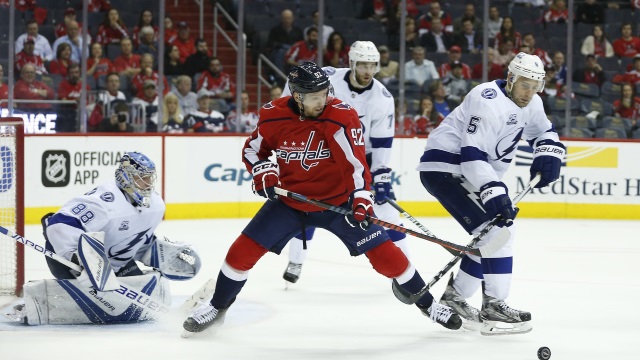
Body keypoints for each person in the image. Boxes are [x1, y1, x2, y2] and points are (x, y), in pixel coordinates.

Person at [181, 62, 462, 336]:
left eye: (325, 92)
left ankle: (429, 305)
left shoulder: (340, 115)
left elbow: (355, 164)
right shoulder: (273, 114)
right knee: (239, 254)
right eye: (315, 97)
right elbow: (255, 150)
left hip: (338, 204)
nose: (324, 100)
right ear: (297, 96)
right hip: (290, 204)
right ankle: (217, 306)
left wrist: (361, 199)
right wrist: (263, 171)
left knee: (390, 260)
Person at [417, 53, 565, 335]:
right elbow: (471, 154)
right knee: (498, 231)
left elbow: (545, 131)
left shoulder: (532, 102)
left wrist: (549, 153)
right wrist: (491, 189)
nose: (529, 92)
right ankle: (494, 304)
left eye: (536, 86)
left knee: (492, 235)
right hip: (446, 167)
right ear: (510, 78)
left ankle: (456, 298)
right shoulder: (486, 98)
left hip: (474, 171)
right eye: (524, 85)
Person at [10, 152, 201, 325]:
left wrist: (154, 253)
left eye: (149, 178)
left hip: (112, 264)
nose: (147, 184)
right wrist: (79, 260)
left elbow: (134, 242)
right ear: (126, 177)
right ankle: (40, 302)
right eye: (140, 178)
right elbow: (58, 225)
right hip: (66, 257)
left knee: (138, 302)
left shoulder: (156, 206)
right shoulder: (104, 201)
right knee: (106, 300)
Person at [280, 42, 410, 285]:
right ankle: (296, 261)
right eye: (362, 64)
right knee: (307, 207)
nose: (367, 71)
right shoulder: (328, 79)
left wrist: (381, 176)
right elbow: (290, 93)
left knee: (388, 212)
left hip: (360, 159)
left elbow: (381, 143)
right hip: (324, 155)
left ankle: (406, 269)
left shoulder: (382, 98)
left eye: (372, 65)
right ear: (351, 63)